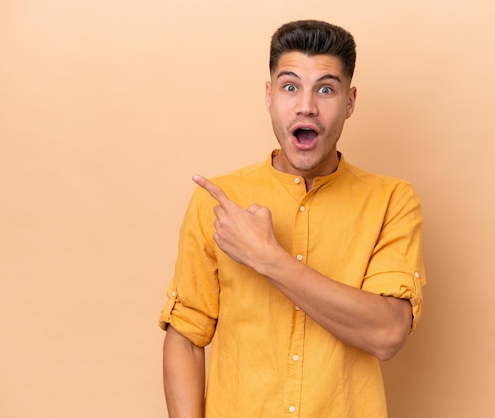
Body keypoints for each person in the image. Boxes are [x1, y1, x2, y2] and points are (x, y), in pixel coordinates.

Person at [159, 19, 426, 418]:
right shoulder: (218, 203)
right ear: (269, 96)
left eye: (325, 89)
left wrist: (266, 257)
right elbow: (186, 338)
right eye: (289, 87)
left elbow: (387, 333)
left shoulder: (391, 201)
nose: (306, 105)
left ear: (350, 101)